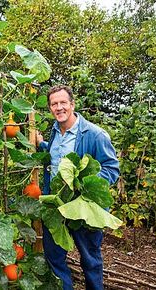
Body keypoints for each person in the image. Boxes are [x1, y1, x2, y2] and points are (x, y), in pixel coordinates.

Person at [36, 85, 119, 290]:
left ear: (72, 104)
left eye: (63, 102)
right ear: (50, 108)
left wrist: (79, 181)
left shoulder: (95, 134)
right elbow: (57, 157)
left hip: (84, 208)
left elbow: (111, 170)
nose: (59, 107)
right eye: (54, 104)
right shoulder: (55, 131)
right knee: (54, 257)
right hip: (57, 206)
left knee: (90, 260)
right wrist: (42, 144)